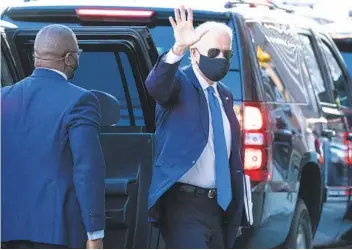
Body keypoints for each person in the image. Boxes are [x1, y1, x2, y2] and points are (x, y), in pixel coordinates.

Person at [146, 6, 245, 249]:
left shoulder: (225, 95)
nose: (221, 59)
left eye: (227, 54)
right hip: (185, 205)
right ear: (194, 52)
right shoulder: (180, 82)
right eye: (213, 51)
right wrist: (176, 49)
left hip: (219, 206)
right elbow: (156, 87)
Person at [1, 24, 106, 249]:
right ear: (68, 58)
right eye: (78, 54)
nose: (78, 59)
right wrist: (95, 233)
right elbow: (86, 170)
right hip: (56, 233)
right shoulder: (80, 101)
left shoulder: (3, 98)